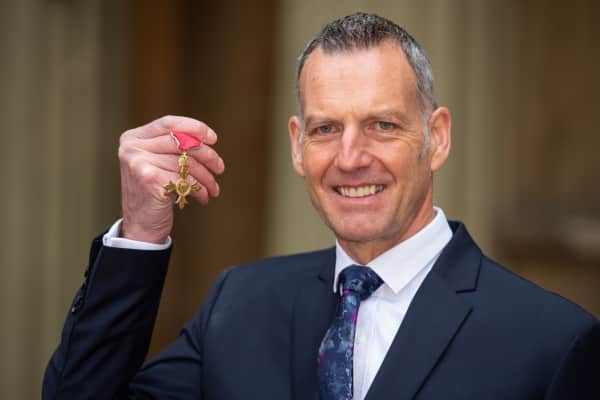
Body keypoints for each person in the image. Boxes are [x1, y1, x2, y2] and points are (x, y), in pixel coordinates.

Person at [43, 12, 599, 400]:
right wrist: (140, 232)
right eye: (326, 129)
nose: (350, 158)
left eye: (382, 125)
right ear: (297, 145)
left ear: (438, 137)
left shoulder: (552, 342)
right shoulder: (238, 307)